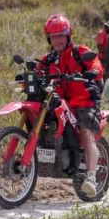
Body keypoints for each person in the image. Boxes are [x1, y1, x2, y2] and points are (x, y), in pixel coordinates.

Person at [38, 14, 104, 197]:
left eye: (61, 35)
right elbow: (37, 72)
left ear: (68, 36)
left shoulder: (80, 52)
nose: (58, 40)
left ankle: (90, 177)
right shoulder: (48, 60)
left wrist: (93, 72)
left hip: (83, 102)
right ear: (49, 39)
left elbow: (96, 63)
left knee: (86, 130)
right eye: (53, 36)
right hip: (58, 101)